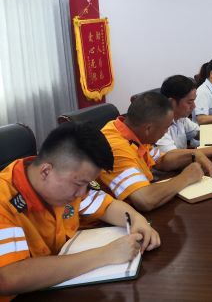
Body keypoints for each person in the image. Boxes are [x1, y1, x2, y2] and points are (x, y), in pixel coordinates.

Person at [0, 122, 160, 298]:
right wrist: (105, 254)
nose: (81, 193)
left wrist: (137, 220)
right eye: (78, 184)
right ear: (45, 171)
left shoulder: (66, 183)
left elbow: (108, 206)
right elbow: (8, 278)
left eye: (86, 184)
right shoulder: (4, 199)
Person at [100, 92, 212, 212]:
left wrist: (193, 155)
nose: (166, 133)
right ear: (148, 129)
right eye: (166, 128)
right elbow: (145, 200)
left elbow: (161, 160)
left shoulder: (132, 132)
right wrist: (186, 177)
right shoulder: (115, 147)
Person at [157, 75, 212, 157]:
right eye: (189, 102)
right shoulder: (159, 124)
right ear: (172, 102)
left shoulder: (181, 118)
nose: (194, 106)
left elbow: (200, 133)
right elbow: (170, 156)